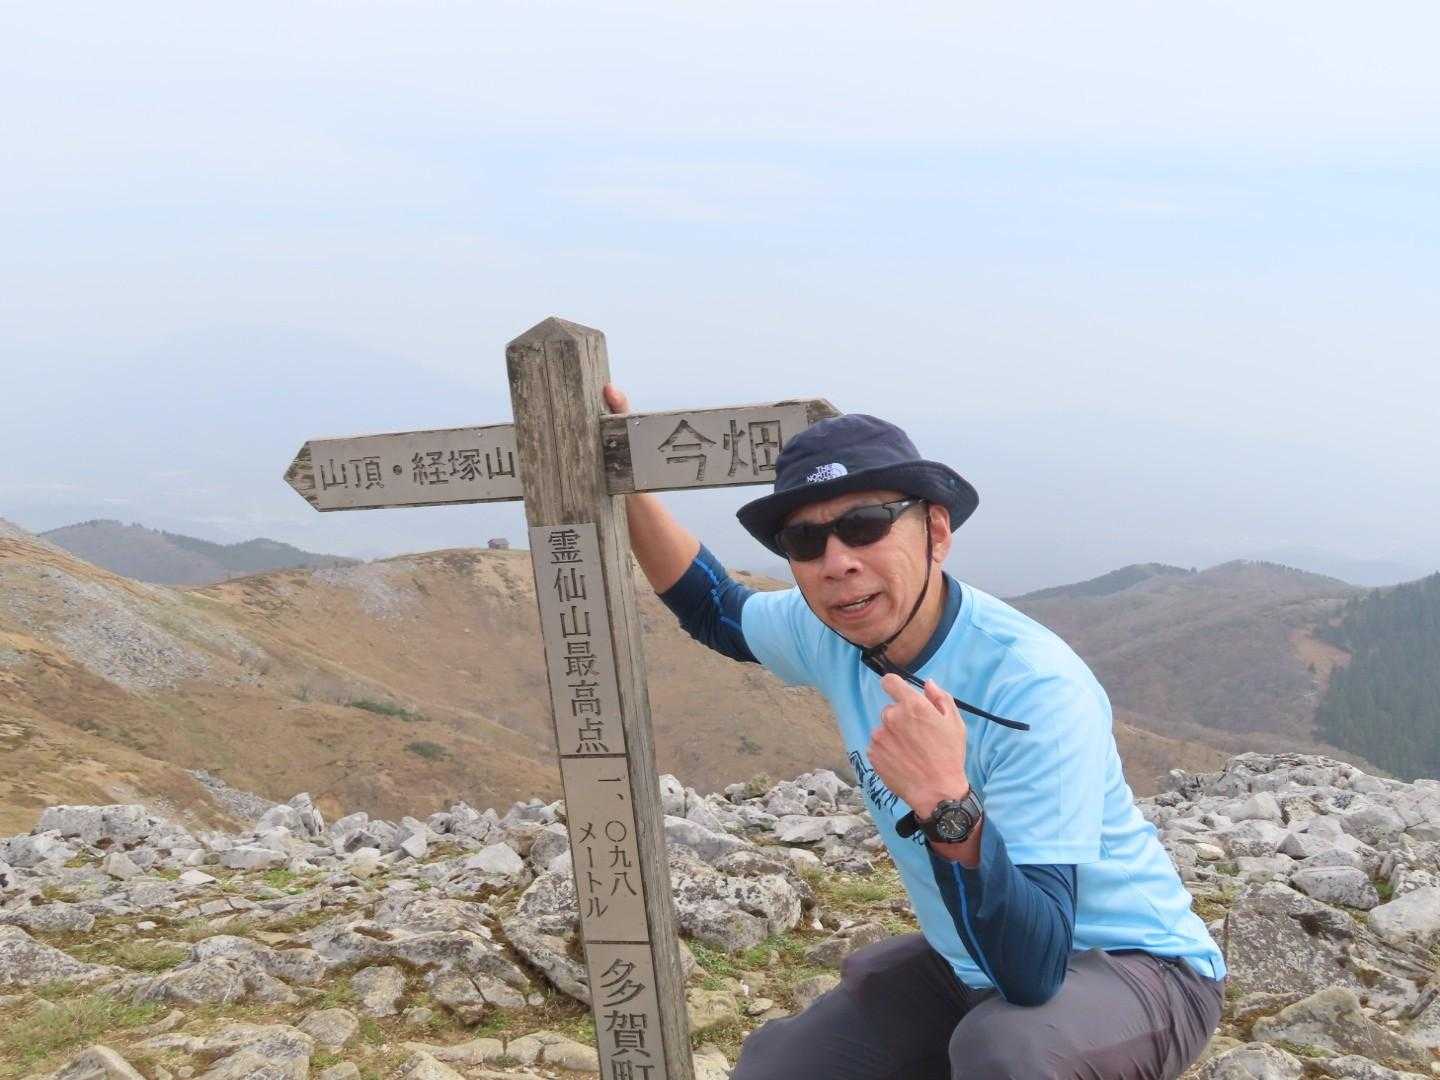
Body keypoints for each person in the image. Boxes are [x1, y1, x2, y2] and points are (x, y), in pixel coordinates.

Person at [603, 387, 1225, 1080]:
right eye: (805, 541)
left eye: (866, 525)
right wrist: (624, 476)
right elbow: (715, 609)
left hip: (1136, 968)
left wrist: (945, 802)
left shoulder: (1033, 688)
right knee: (783, 1065)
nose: (837, 561)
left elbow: (1035, 968)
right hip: (972, 959)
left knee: (1006, 1054)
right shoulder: (832, 629)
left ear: (936, 531)